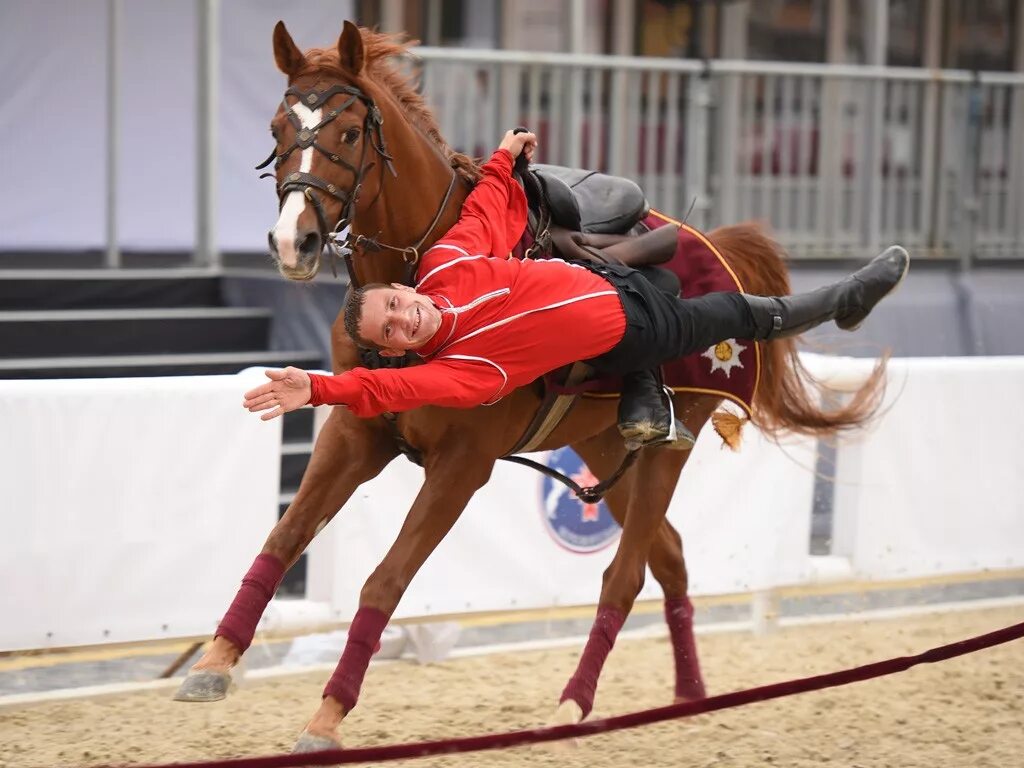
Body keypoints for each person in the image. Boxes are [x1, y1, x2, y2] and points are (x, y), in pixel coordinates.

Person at [243, 129, 909, 451]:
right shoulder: (464, 372)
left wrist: (504, 157)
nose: (402, 318)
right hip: (634, 329)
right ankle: (845, 301)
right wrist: (319, 388)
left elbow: (483, 212)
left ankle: (654, 375)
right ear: (395, 347)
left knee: (669, 253)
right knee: (742, 313)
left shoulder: (445, 266)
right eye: (390, 331)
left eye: (393, 304)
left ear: (398, 286)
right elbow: (386, 390)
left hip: (612, 277)